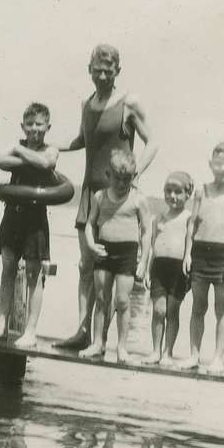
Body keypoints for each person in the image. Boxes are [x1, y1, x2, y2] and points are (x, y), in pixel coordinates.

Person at [55, 44, 160, 351]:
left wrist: (136, 171)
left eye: (108, 70)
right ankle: (83, 331)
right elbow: (81, 139)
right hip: (91, 194)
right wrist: (51, 147)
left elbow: (152, 141)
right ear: (89, 70)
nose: (102, 75)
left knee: (117, 271)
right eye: (97, 70)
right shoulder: (87, 103)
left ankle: (111, 341)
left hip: (120, 198)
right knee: (87, 265)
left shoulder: (129, 103)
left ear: (117, 71)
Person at [0, 102, 60, 348]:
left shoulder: (51, 149)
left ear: (48, 126)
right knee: (7, 269)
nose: (34, 129)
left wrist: (18, 150)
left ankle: (31, 332)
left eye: (39, 124)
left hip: (35, 217)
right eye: (30, 124)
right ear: (22, 126)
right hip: (12, 215)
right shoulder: (17, 146)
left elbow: (47, 163)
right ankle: (0, 325)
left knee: (34, 273)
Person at [180, 141, 224, 373]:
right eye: (218, 164)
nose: (222, 169)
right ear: (211, 164)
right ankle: (194, 355)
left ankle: (218, 358)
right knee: (198, 306)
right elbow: (191, 224)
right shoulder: (202, 190)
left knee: (222, 308)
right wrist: (187, 255)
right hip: (199, 253)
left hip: (223, 256)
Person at [77, 149, 151, 362]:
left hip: (127, 254)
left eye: (126, 179)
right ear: (108, 175)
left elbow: (147, 231)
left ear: (133, 177)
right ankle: (98, 343)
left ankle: (122, 347)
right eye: (117, 178)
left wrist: (144, 260)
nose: (121, 184)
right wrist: (91, 245)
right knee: (101, 298)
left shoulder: (138, 200)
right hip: (104, 250)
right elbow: (90, 224)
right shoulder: (100, 197)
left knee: (122, 300)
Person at [143, 171, 193, 365]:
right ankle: (155, 350)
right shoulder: (159, 217)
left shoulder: (189, 217)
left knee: (172, 311)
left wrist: (189, 261)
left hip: (179, 269)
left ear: (187, 195)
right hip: (159, 267)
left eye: (178, 192)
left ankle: (168, 352)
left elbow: (191, 244)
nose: (172, 196)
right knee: (158, 310)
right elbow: (153, 244)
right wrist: (147, 270)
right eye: (168, 191)